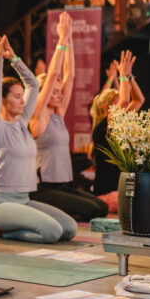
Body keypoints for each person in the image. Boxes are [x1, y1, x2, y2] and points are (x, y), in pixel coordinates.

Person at [0, 34, 77, 244]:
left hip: (24, 200)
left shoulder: (23, 123)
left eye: (21, 96)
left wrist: (13, 58)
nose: (22, 101)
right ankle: (3, 232)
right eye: (16, 96)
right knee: (51, 232)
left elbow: (33, 83)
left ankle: (7, 230)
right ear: (3, 101)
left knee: (69, 229)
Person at [28, 12, 108, 221]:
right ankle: (46, 212)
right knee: (91, 212)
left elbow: (69, 75)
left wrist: (70, 39)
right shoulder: (38, 115)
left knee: (101, 208)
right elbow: (54, 74)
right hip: (43, 188)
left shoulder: (58, 114)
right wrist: (61, 41)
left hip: (65, 184)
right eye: (53, 92)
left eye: (58, 91)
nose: (59, 94)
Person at [92, 50, 144, 199]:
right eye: (116, 102)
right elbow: (126, 100)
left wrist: (129, 77)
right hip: (107, 190)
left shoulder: (117, 122)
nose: (122, 107)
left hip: (119, 186)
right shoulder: (103, 126)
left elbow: (139, 100)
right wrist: (122, 76)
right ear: (105, 107)